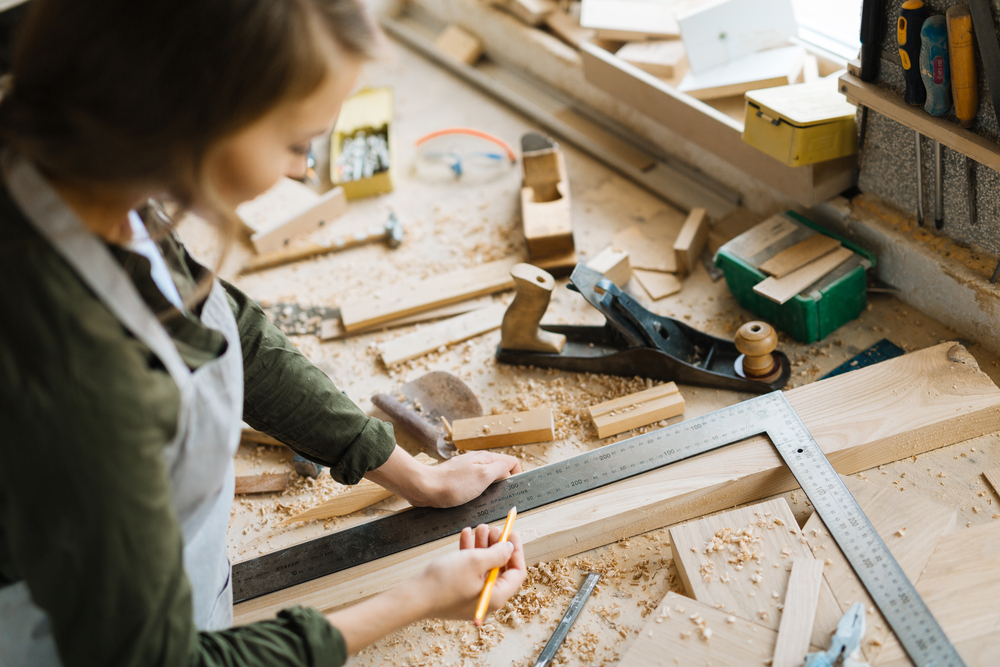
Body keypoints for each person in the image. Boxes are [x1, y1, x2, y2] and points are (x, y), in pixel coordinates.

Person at [0, 1, 527, 665]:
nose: (306, 171)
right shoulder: (82, 372)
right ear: (192, 117)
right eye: (297, 143)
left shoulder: (84, 157)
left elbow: (227, 333)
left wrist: (412, 474)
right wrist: (416, 597)